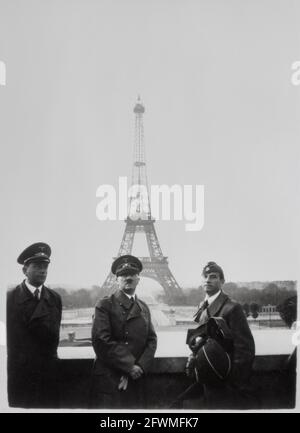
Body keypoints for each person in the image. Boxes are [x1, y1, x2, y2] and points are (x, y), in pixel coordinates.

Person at [182, 261, 255, 409]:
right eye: (205, 276)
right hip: (206, 376)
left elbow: (245, 349)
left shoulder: (232, 308)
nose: (208, 279)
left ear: (222, 281)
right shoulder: (203, 306)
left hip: (223, 383)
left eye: (213, 276)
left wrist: (231, 382)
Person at [90, 255, 157, 409]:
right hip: (111, 377)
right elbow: (101, 340)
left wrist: (140, 366)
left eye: (132, 274)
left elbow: (152, 340)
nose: (128, 278)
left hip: (136, 376)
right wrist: (129, 366)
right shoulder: (104, 305)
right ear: (116, 279)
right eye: (123, 275)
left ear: (138, 278)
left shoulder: (143, 307)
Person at [7, 242, 62, 408]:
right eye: (37, 266)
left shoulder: (55, 298)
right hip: (21, 374)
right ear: (25, 270)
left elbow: (54, 337)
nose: (43, 270)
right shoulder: (9, 298)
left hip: (48, 373)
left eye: (45, 266)